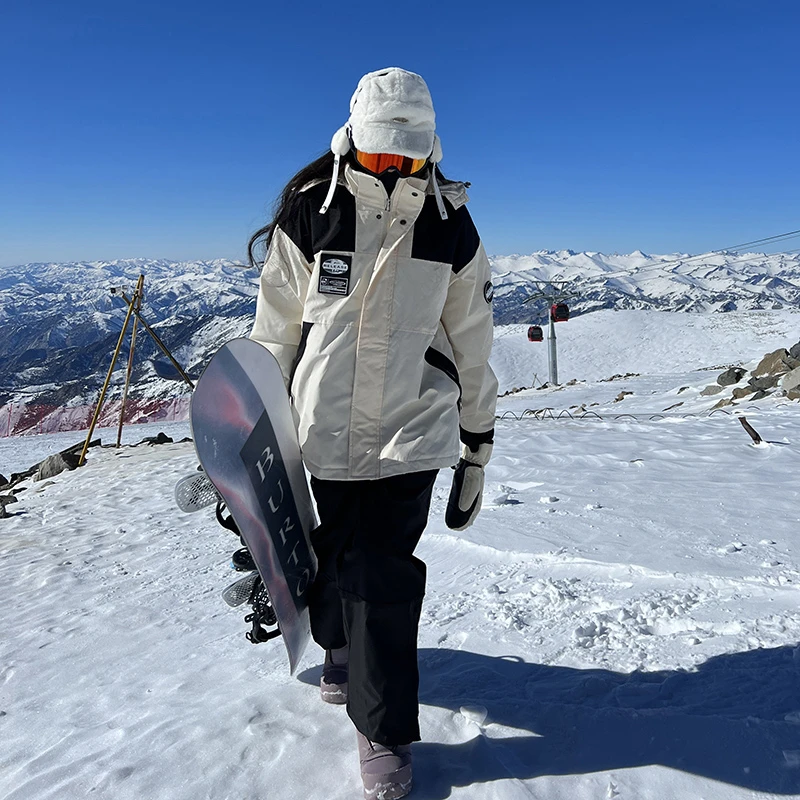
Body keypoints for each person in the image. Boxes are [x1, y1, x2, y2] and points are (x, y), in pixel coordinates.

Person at [248, 67, 497, 799]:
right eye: (382, 154)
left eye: (407, 158)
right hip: (320, 430)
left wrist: (477, 443)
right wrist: (257, 426)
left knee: (381, 576)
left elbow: (473, 340)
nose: (393, 170)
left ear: (428, 150)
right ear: (353, 140)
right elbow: (274, 335)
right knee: (330, 557)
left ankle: (382, 731)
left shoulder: (450, 224)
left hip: (411, 437)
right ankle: (339, 648)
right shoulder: (310, 213)